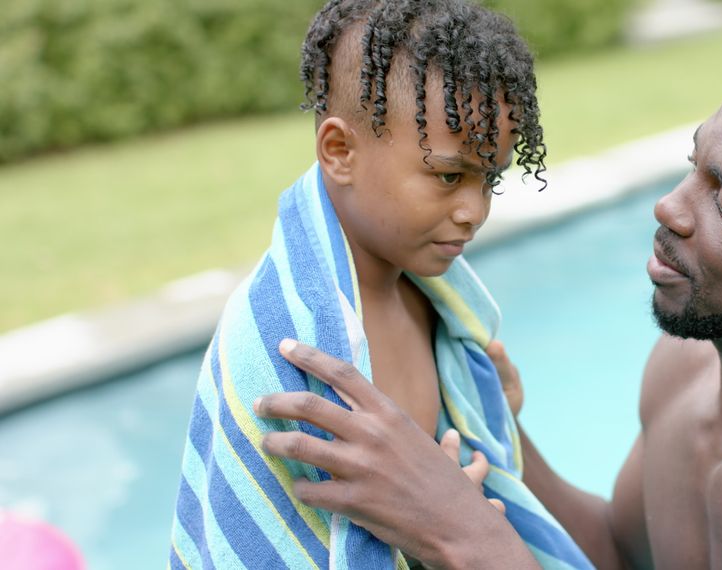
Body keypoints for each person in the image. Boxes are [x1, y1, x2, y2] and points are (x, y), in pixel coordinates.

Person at [253, 53, 722, 569]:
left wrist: (466, 537)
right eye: (694, 167)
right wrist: (494, 431)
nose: (671, 209)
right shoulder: (685, 372)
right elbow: (618, 555)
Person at [169, 0, 592, 568]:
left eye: (490, 177)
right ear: (340, 151)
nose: (474, 210)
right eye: (448, 175)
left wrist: (462, 511)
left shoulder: (432, 304)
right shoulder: (286, 342)